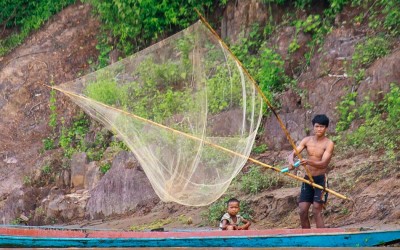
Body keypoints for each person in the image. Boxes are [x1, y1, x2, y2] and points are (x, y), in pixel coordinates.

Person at [287, 114, 334, 229]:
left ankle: (322, 240)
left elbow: (324, 163)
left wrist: (308, 162)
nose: (319, 129)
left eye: (322, 127)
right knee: (302, 210)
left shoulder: (329, 144)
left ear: (326, 128)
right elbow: (293, 153)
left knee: (316, 209)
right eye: (317, 126)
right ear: (313, 127)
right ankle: (307, 237)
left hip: (320, 179)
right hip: (307, 179)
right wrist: (291, 161)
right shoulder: (306, 140)